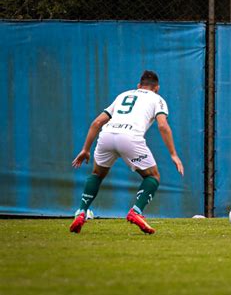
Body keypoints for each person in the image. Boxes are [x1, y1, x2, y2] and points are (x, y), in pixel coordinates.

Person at [70, 70, 184, 234]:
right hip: (130, 137)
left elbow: (97, 123)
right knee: (152, 176)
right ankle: (136, 212)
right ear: (157, 88)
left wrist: (85, 149)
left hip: (107, 135)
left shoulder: (123, 95)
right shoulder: (157, 99)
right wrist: (173, 154)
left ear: (138, 86)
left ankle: (81, 211)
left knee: (97, 174)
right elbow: (163, 125)